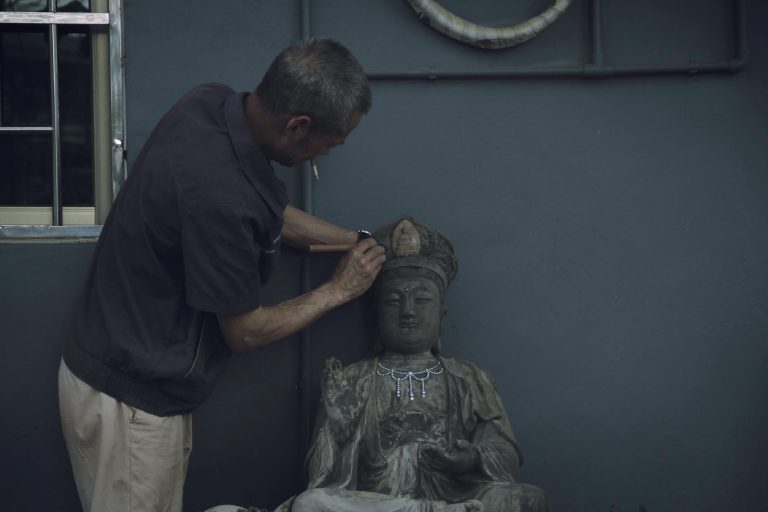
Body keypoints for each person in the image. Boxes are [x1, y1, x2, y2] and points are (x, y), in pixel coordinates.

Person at [58, 38, 386, 512]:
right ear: (298, 127)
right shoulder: (220, 201)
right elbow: (245, 331)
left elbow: (263, 208)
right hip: (129, 404)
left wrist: (355, 240)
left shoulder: (208, 103)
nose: (330, 153)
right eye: (331, 143)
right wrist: (337, 290)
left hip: (125, 367)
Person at [273, 217, 550, 512]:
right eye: (393, 301)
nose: (408, 312)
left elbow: (505, 457)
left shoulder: (470, 377)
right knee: (311, 504)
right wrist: (340, 430)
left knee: (526, 499)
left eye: (422, 300)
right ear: (374, 315)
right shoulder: (352, 379)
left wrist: (471, 458)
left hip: (456, 496)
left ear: (443, 313)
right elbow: (322, 478)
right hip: (378, 503)